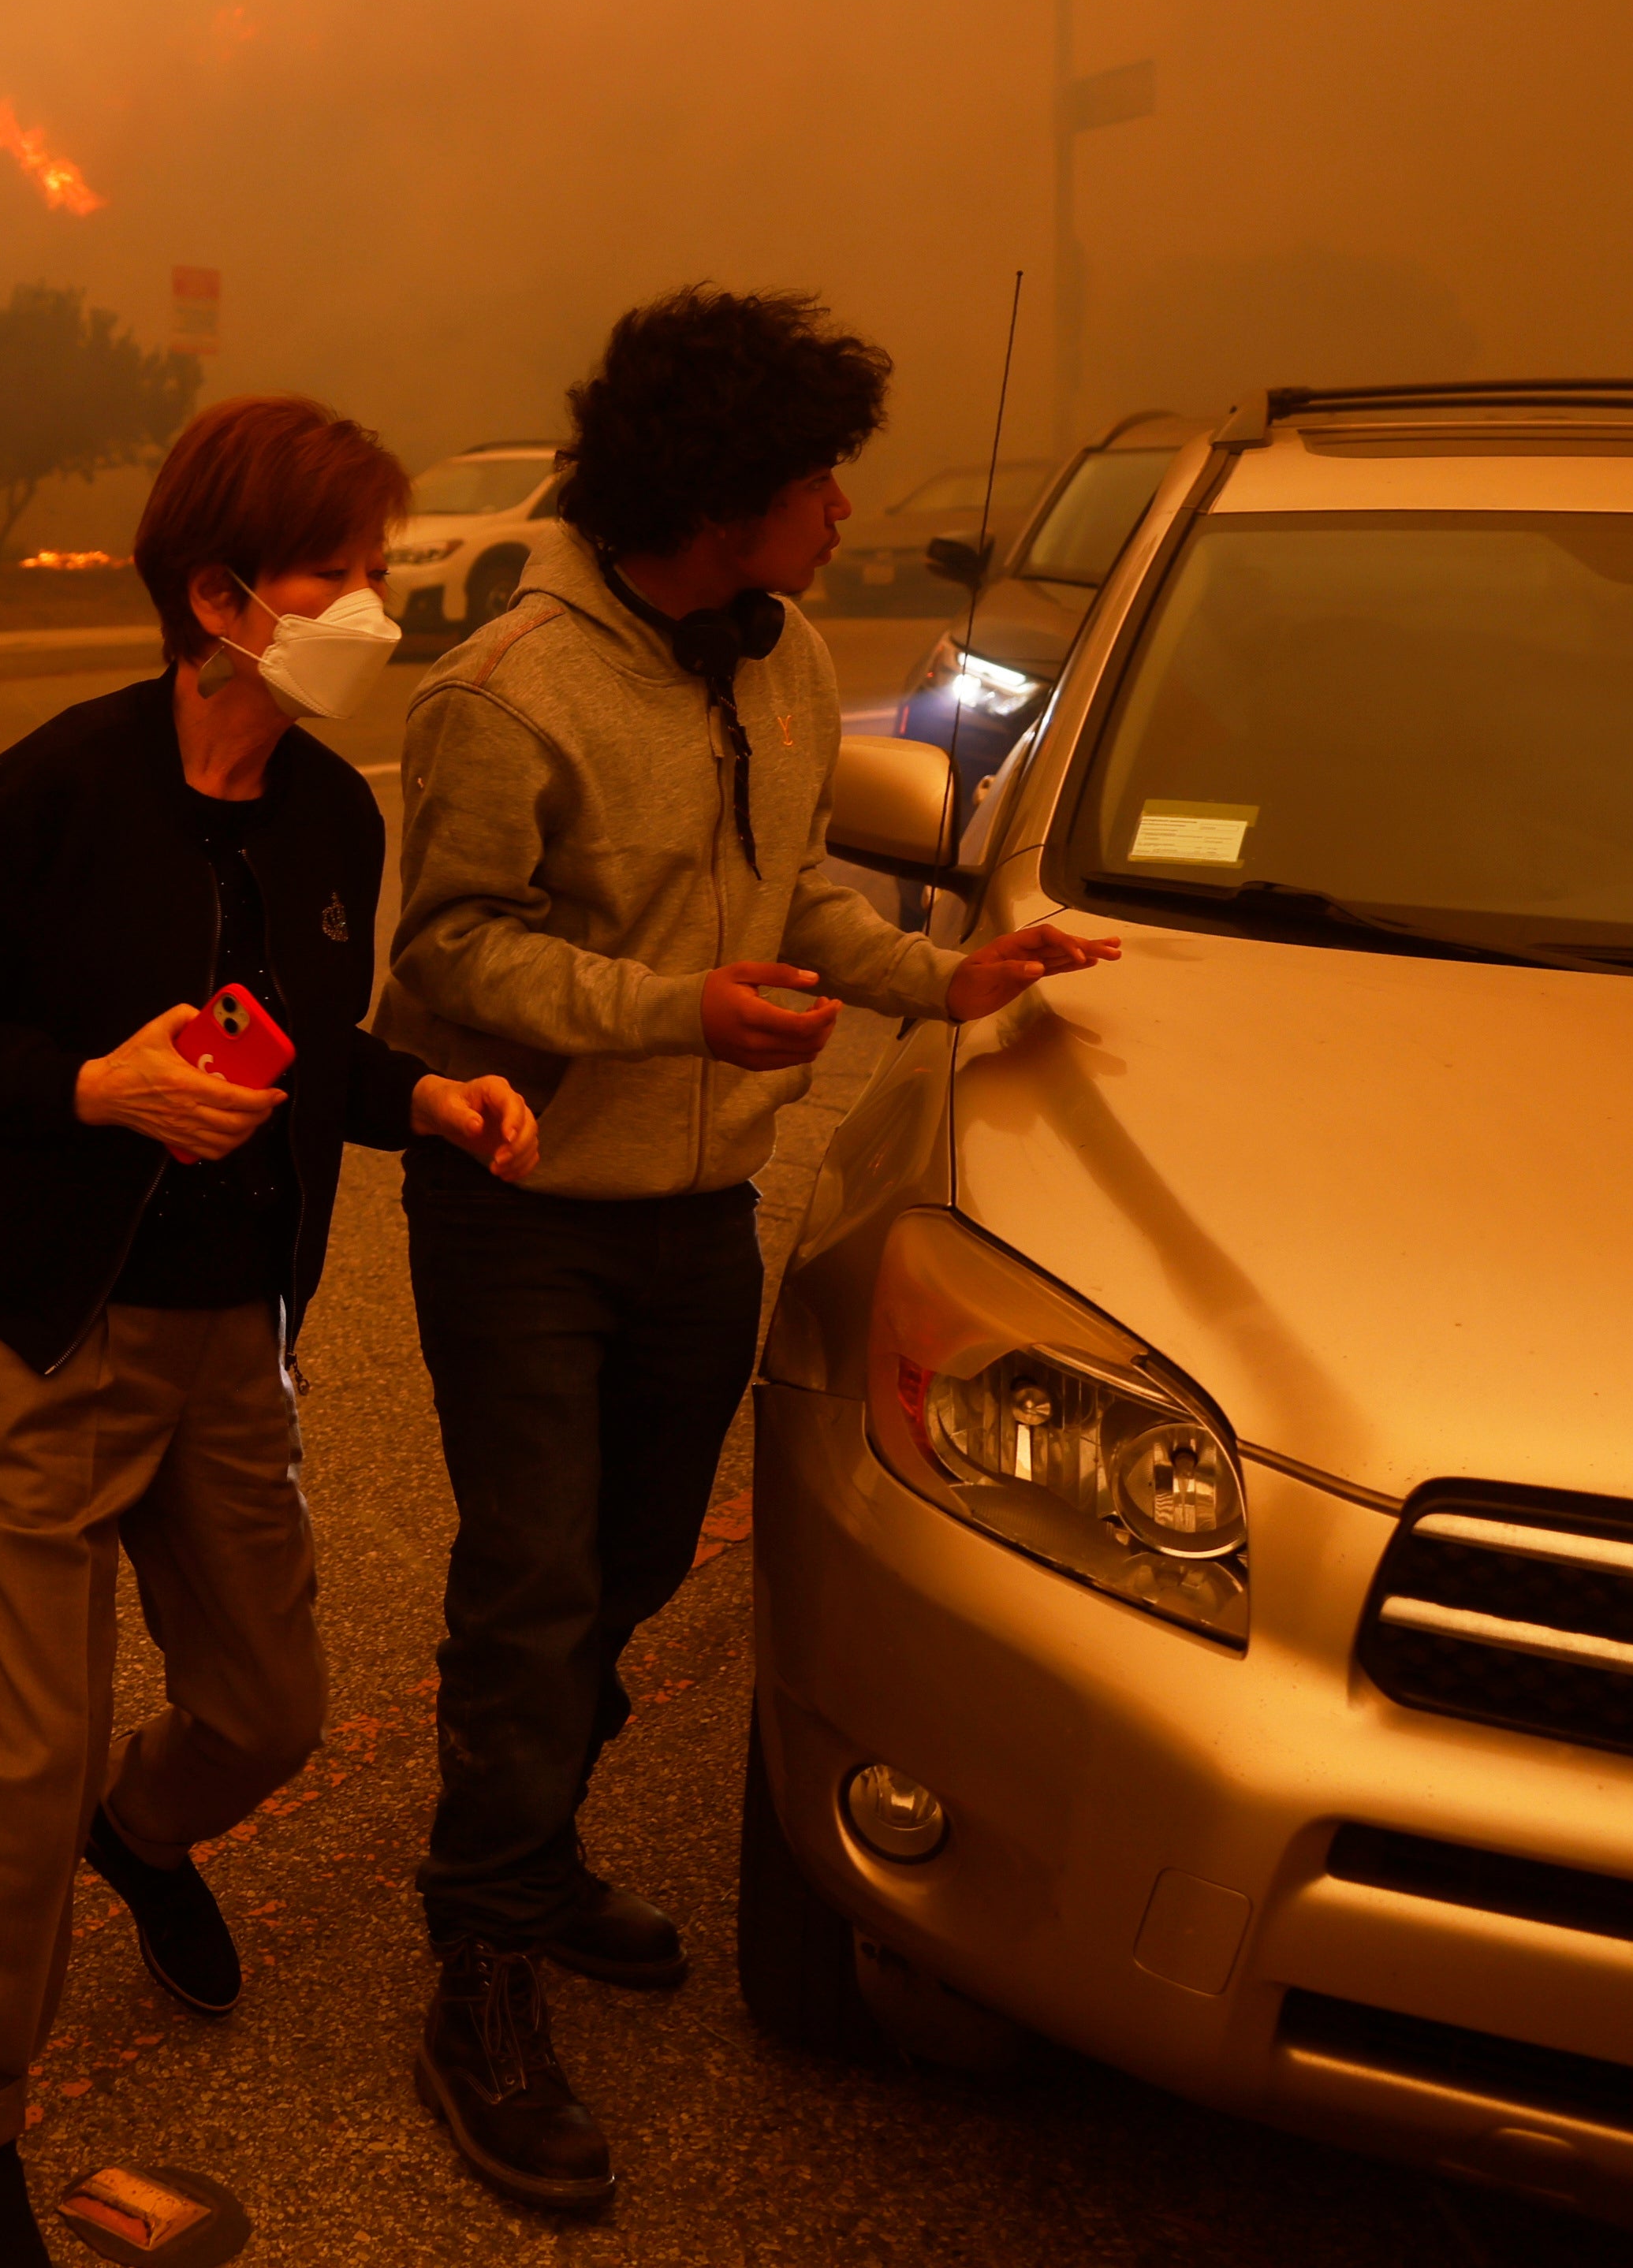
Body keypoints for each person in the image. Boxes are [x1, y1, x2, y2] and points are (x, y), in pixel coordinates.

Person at [380, 287, 1119, 2215]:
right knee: (532, 1585)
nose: (845, 509)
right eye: (815, 478)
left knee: (626, 1567)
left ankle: (525, 1850)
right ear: (720, 496)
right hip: (523, 1210)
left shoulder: (779, 655)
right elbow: (440, 957)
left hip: (697, 1213)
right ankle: (477, 1957)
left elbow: (791, 888)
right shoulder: (506, 688)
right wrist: (667, 1014)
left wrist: (942, 978)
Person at [0, 394, 545, 2268]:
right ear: (223, 595)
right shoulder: (49, 795)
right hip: (41, 1326)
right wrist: (93, 1090)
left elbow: (303, 1051)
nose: (378, 610)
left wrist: (422, 1099)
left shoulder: (332, 815)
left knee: (267, 1709)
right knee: (31, 1740)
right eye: (348, 575)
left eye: (381, 572)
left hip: (227, 1336)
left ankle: (146, 1831)